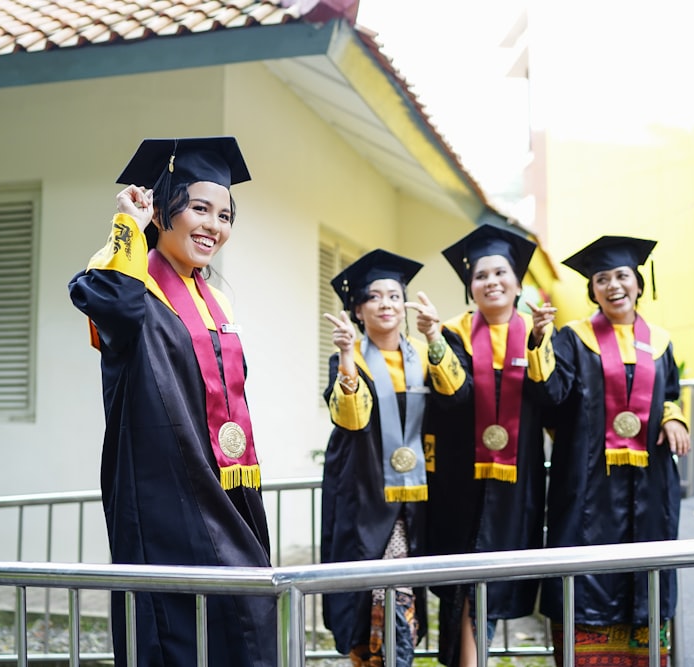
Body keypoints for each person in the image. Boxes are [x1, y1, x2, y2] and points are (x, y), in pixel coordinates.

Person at [68, 136, 276, 667]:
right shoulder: (130, 281)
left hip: (225, 486)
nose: (213, 225)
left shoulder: (216, 299)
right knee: (178, 629)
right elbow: (109, 299)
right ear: (164, 211)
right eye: (199, 208)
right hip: (161, 490)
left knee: (244, 612)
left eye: (224, 215)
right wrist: (130, 225)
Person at [533, 235, 691, 667]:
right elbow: (551, 394)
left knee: (646, 574)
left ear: (639, 283)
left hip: (649, 482)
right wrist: (538, 343)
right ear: (593, 290)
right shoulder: (572, 339)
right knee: (585, 575)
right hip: (587, 483)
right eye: (602, 279)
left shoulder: (660, 342)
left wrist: (673, 417)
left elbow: (669, 394)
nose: (613, 285)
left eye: (622, 275)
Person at [414, 223, 557, 667]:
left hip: (516, 482)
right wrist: (434, 339)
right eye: (480, 275)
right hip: (460, 481)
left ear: (517, 282)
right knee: (463, 584)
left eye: (500, 273)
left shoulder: (540, 333)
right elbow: (452, 396)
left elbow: (553, 399)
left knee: (493, 585)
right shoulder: (453, 333)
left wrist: (538, 342)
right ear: (470, 287)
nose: (491, 281)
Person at [320, 248, 462, 667]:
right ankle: (374, 658)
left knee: (400, 584)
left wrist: (436, 336)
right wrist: (347, 357)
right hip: (363, 490)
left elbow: (456, 397)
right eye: (375, 297)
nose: (387, 304)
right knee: (368, 585)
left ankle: (395, 656)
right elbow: (351, 418)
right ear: (358, 310)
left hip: (416, 492)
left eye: (395, 295)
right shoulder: (348, 358)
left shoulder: (425, 354)